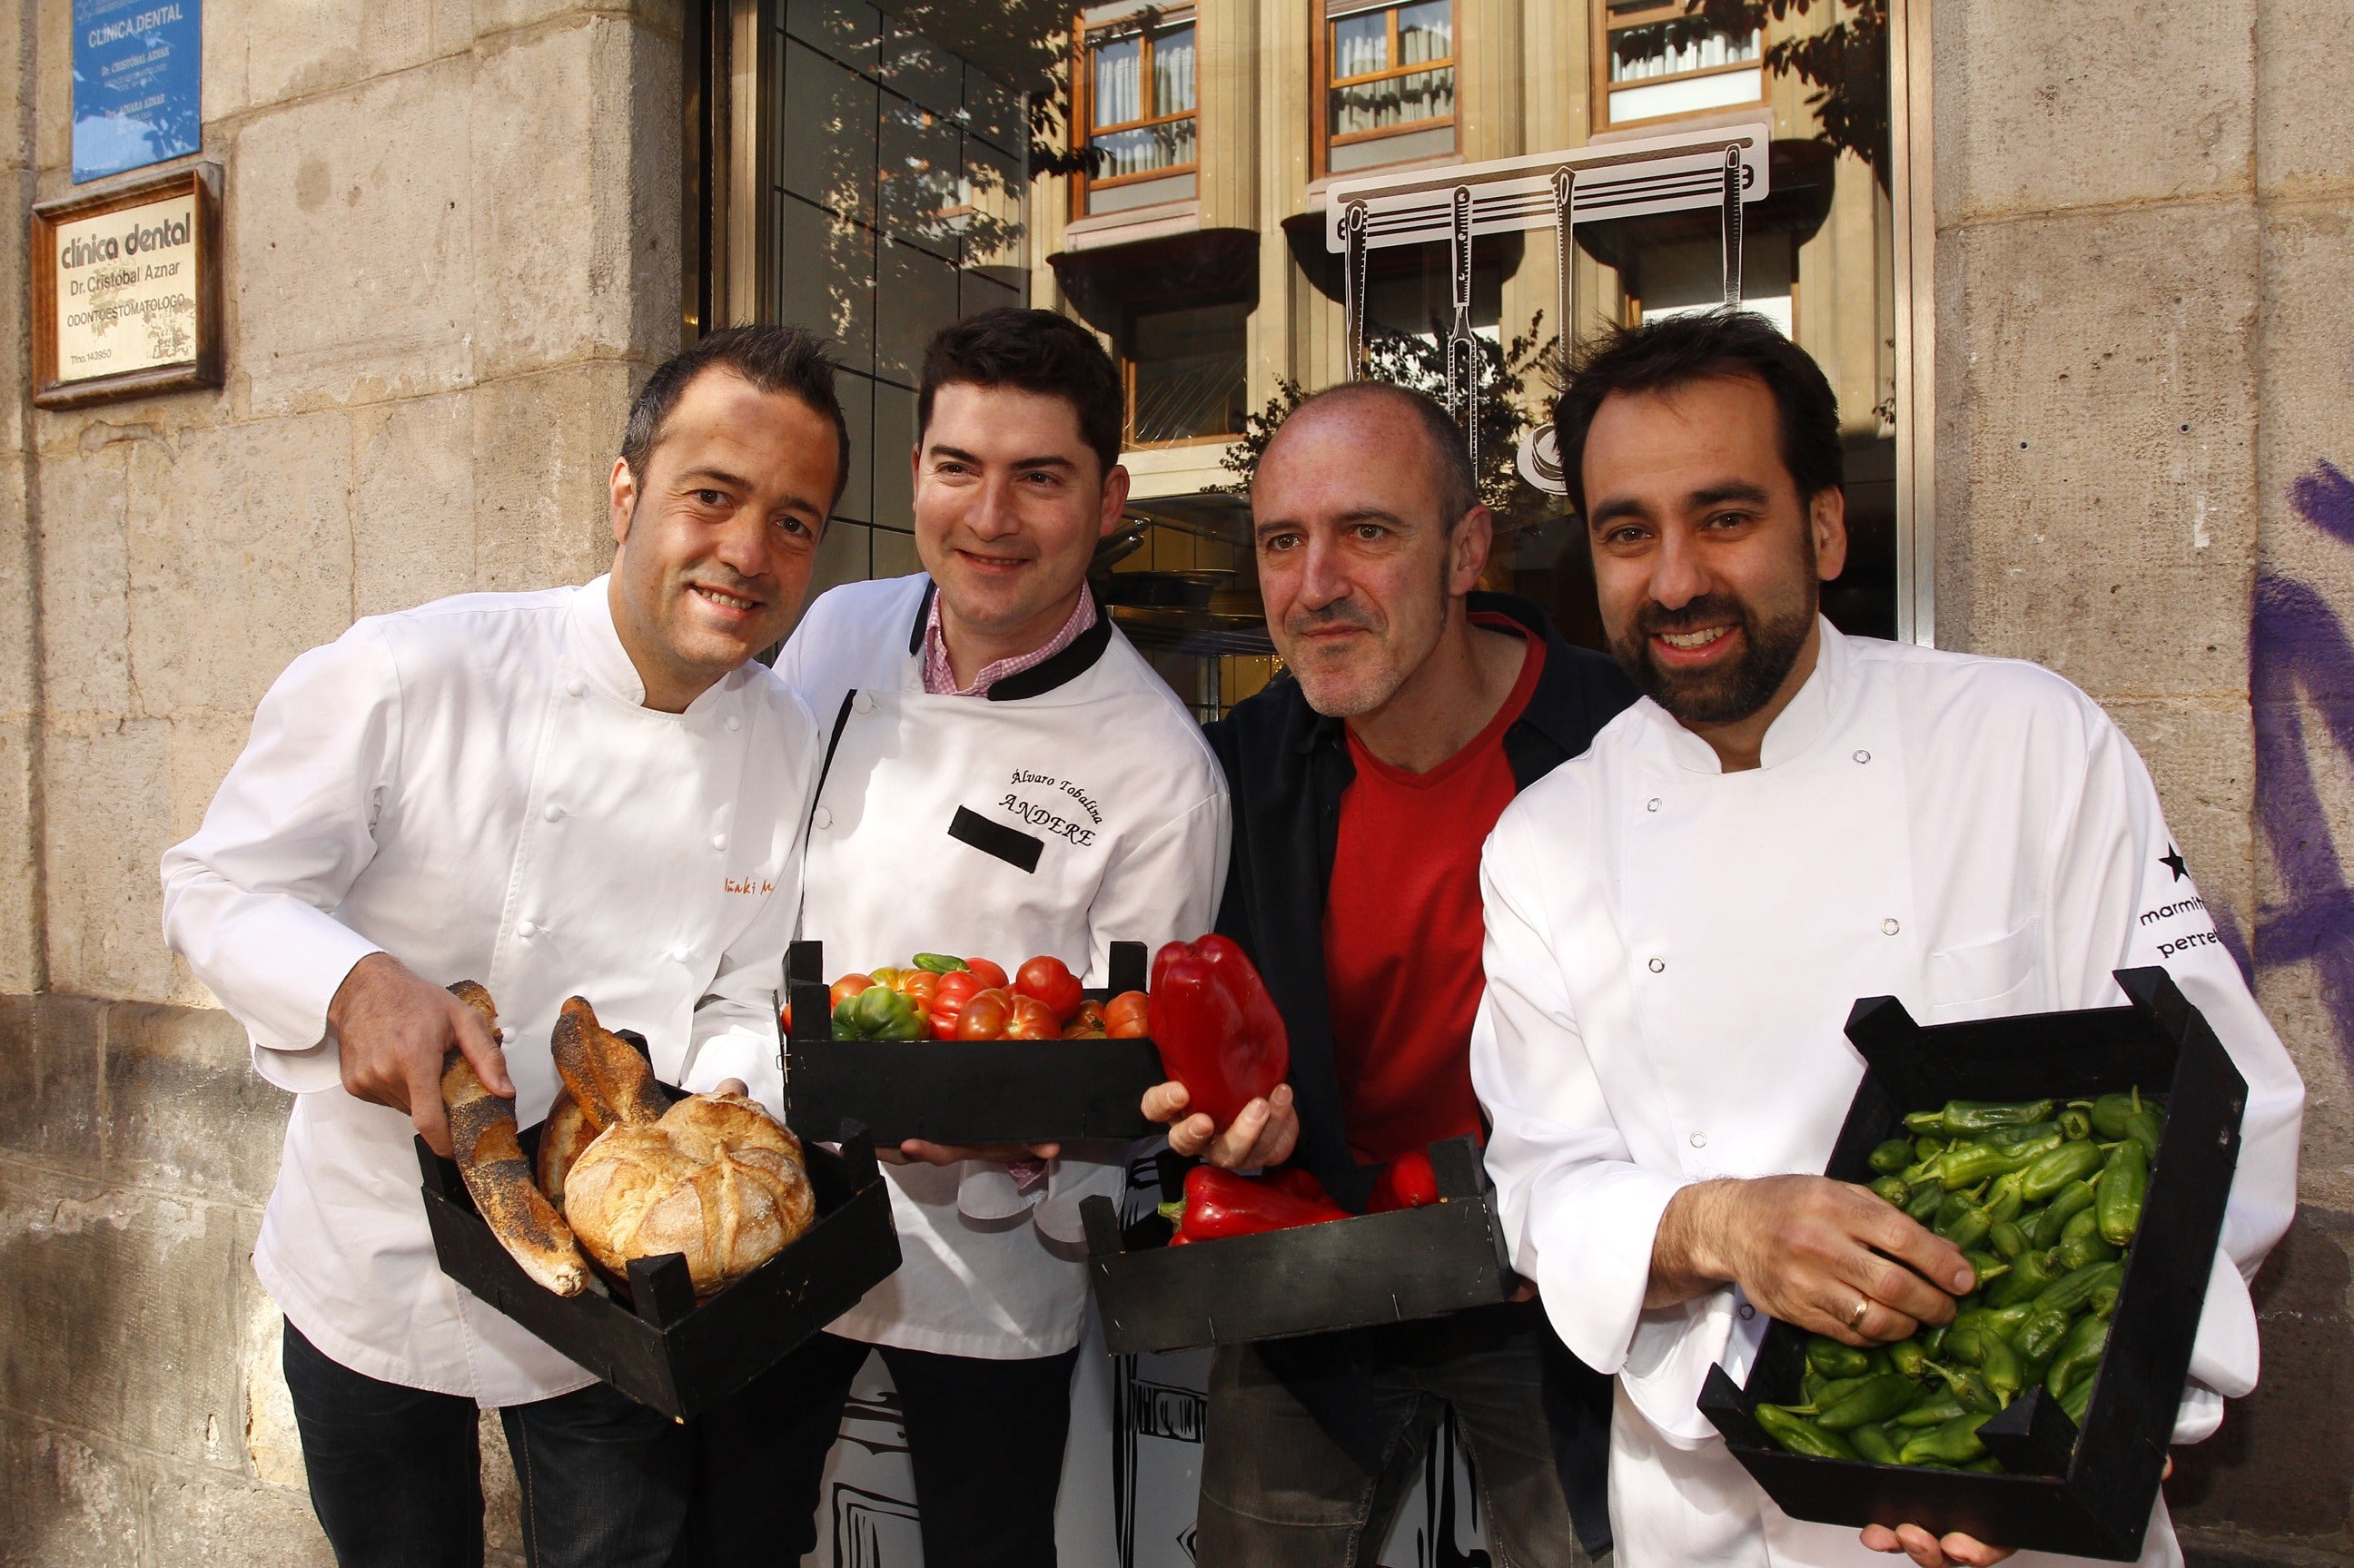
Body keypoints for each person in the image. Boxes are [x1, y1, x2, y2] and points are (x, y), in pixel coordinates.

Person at [1469, 309, 2306, 1568]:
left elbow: (2216, 1104)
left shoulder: (2028, 744)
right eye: (1627, 533)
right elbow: (1545, 1188)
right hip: (1704, 1520)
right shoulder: (1545, 844)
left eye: (1726, 517)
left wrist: (2064, 1422)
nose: (1678, 578)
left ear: (1823, 527)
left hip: (2021, 1502)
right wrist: (1725, 1227)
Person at [159, 325, 846, 1568]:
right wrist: (352, 980)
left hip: (613, 1284)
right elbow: (217, 883)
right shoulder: (415, 670)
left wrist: (727, 1110)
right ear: (627, 490)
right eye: (714, 496)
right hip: (375, 1258)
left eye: (794, 522)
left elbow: (748, 978)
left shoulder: (785, 734)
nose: (749, 552)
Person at [687, 308, 1230, 1568]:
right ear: (916, 471)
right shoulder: (833, 635)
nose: (990, 518)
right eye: (958, 468)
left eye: (1040, 477)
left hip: (989, 1264)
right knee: (729, 1538)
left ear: (1108, 500)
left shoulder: (1160, 772)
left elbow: (1132, 1056)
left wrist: (1030, 1120)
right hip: (781, 1210)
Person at [1141, 380, 1635, 1566]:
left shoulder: (1620, 743)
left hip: (1554, 1285)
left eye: (1368, 532)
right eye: (1280, 542)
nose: (1316, 584)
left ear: (1467, 550)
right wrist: (1211, 1126)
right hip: (1320, 1264)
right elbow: (1176, 1025)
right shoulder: (1232, 777)